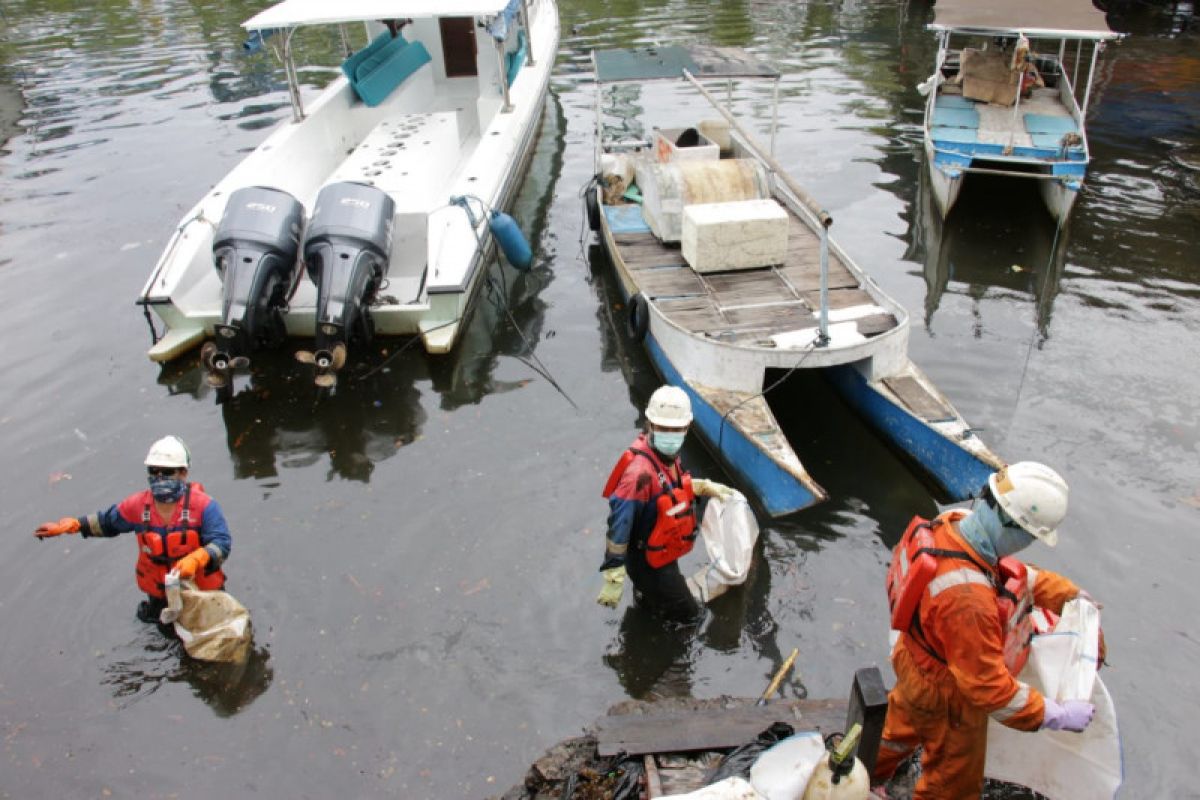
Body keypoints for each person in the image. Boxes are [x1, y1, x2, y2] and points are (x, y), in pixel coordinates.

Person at [873, 462, 1105, 799]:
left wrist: (1068, 595)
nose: (1027, 544)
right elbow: (989, 690)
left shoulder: (954, 525)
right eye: (1030, 535)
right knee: (952, 783)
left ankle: (866, 774)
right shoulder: (967, 600)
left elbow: (1017, 575)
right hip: (949, 694)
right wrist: (1053, 714)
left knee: (897, 731)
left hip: (915, 657)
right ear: (1014, 526)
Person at [34, 435, 231, 624]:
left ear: (183, 473)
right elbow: (107, 522)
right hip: (160, 593)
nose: (160, 477)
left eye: (168, 472)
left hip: (202, 591)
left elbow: (221, 543)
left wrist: (198, 558)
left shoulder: (205, 506)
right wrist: (73, 525)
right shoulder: (137, 506)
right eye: (154, 471)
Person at [596, 385, 733, 622]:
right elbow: (619, 524)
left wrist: (701, 486)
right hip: (648, 562)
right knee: (690, 616)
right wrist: (613, 572)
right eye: (663, 428)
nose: (670, 434)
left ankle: (643, 613)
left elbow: (667, 489)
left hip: (660, 550)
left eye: (676, 429)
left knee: (652, 604)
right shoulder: (638, 475)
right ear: (650, 424)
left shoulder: (665, 456)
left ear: (687, 427)